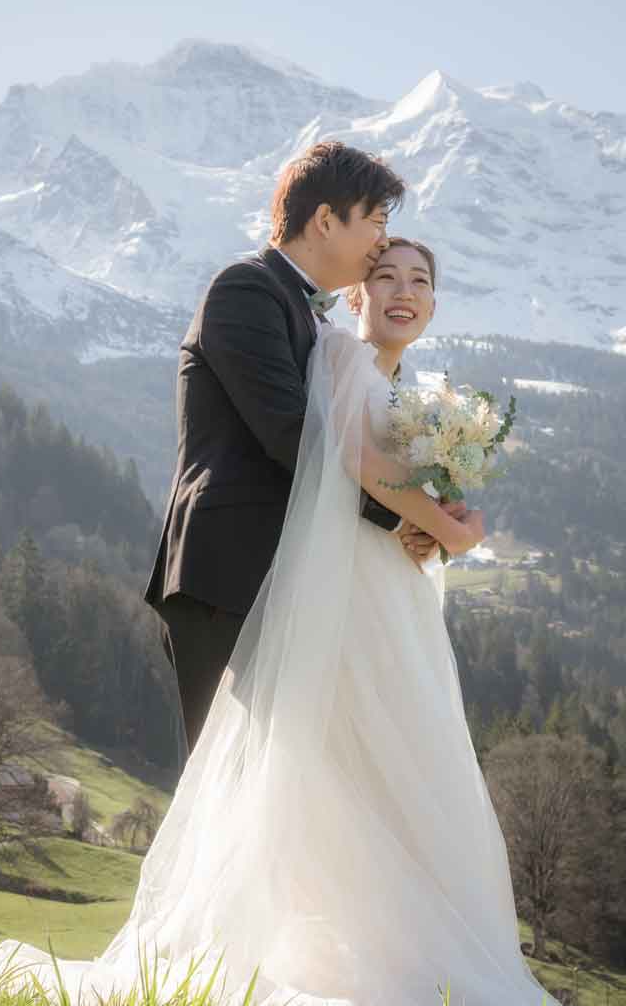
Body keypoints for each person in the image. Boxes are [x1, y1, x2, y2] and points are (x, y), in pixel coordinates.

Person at [0, 235, 626, 1006]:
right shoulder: (343, 363)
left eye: (421, 282)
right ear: (356, 294)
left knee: (388, 779)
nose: (403, 292)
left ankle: (381, 948)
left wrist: (447, 514)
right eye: (385, 277)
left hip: (386, 602)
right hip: (344, 600)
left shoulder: (396, 385)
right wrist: (447, 524)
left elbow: (396, 492)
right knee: (336, 774)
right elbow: (344, 467)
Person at [143, 140, 436, 752]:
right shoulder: (245, 290)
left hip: (282, 579)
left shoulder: (315, 321)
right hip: (226, 577)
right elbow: (294, 435)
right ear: (326, 220)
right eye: (377, 223)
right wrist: (400, 515)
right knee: (225, 788)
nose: (381, 242)